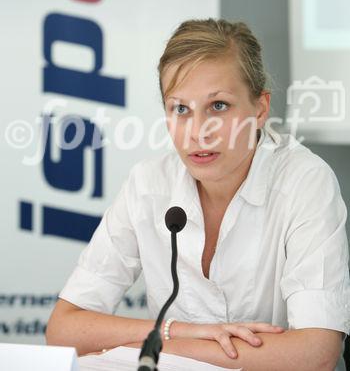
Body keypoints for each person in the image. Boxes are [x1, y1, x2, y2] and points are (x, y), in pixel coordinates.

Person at [46, 19, 350, 370]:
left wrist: (149, 349)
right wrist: (180, 331)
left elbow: (317, 353)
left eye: (218, 106)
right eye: (181, 109)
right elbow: (64, 329)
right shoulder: (148, 183)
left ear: (260, 109)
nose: (198, 132)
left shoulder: (305, 182)